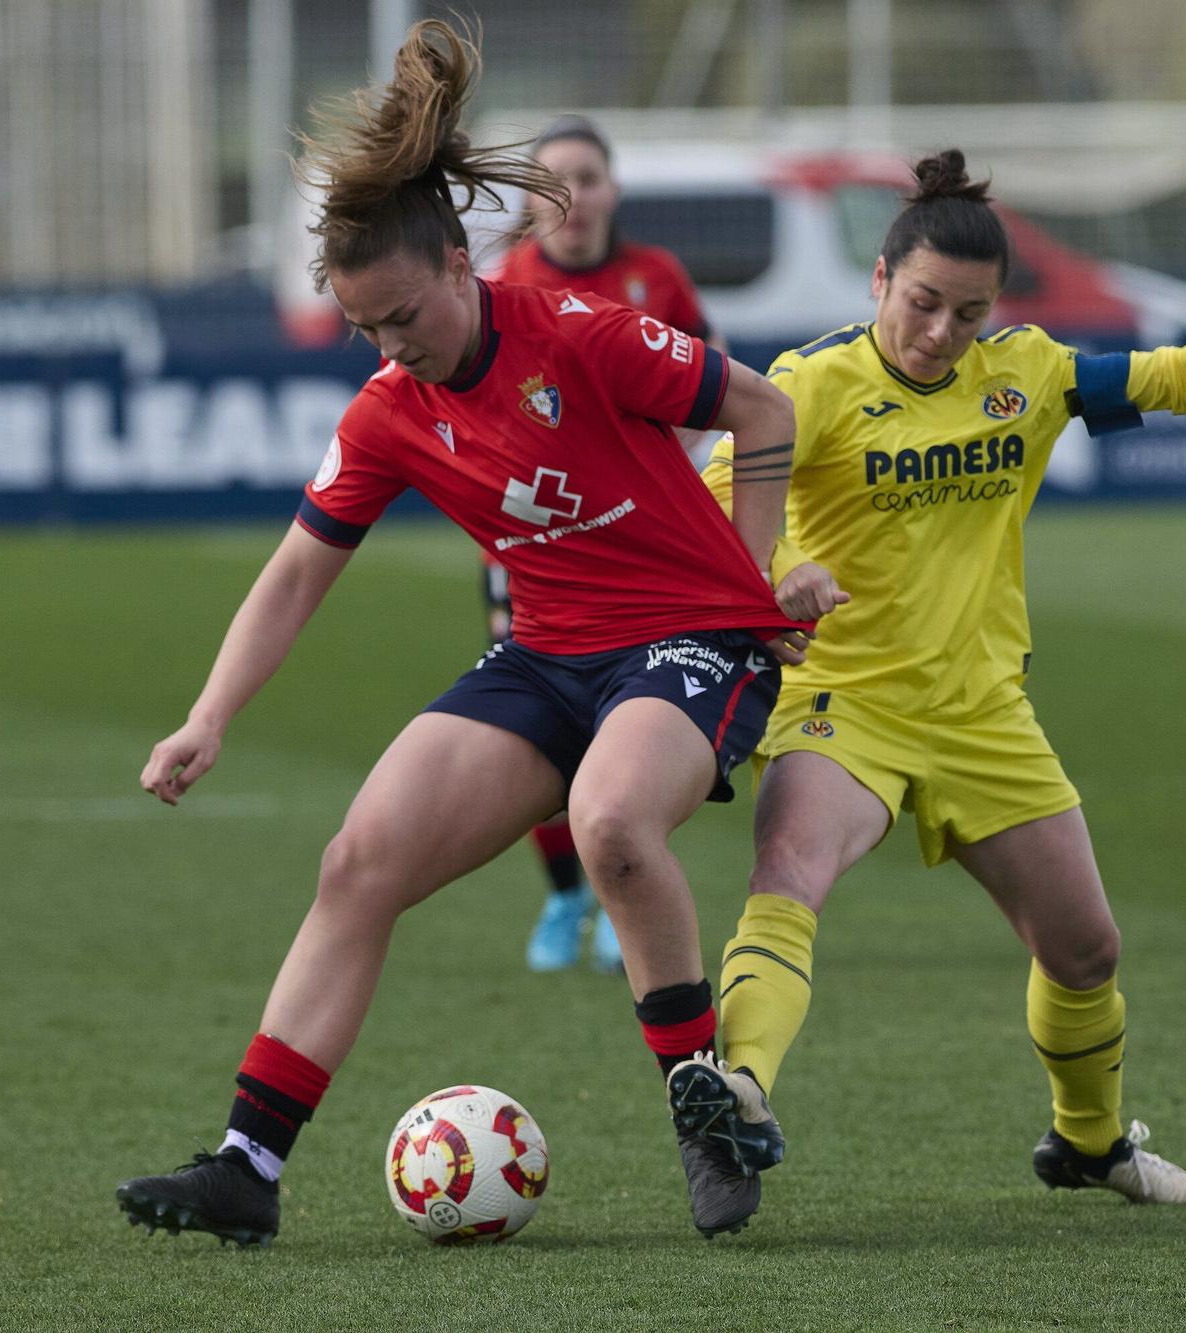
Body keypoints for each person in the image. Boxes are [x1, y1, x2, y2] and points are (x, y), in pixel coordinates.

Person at [112, 20, 816, 1247]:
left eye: (400, 315)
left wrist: (748, 590)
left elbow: (762, 409)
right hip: (546, 657)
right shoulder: (389, 411)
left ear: (456, 262)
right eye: (364, 328)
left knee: (609, 823)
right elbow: (295, 573)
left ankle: (702, 1118)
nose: (390, 347)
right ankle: (245, 1166)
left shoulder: (580, 333)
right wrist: (207, 716)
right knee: (358, 860)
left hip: (687, 639)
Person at [667, 150, 1186, 1234]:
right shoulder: (809, 384)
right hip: (846, 703)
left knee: (1085, 948)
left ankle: (1088, 1142)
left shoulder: (1026, 373)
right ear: (879, 279)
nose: (941, 332)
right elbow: (714, 506)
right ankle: (739, 1092)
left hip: (981, 712)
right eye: (922, 303)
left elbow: (1164, 378)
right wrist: (780, 570)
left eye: (968, 314)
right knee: (789, 871)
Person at [485, 114, 723, 975]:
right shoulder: (505, 284)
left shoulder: (654, 277)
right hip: (539, 543)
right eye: (553, 182)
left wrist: (668, 465)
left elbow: (713, 370)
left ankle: (627, 884)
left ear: (613, 189)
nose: (572, 198)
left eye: (587, 178)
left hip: (645, 547)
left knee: (640, 720)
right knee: (539, 724)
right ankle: (564, 894)